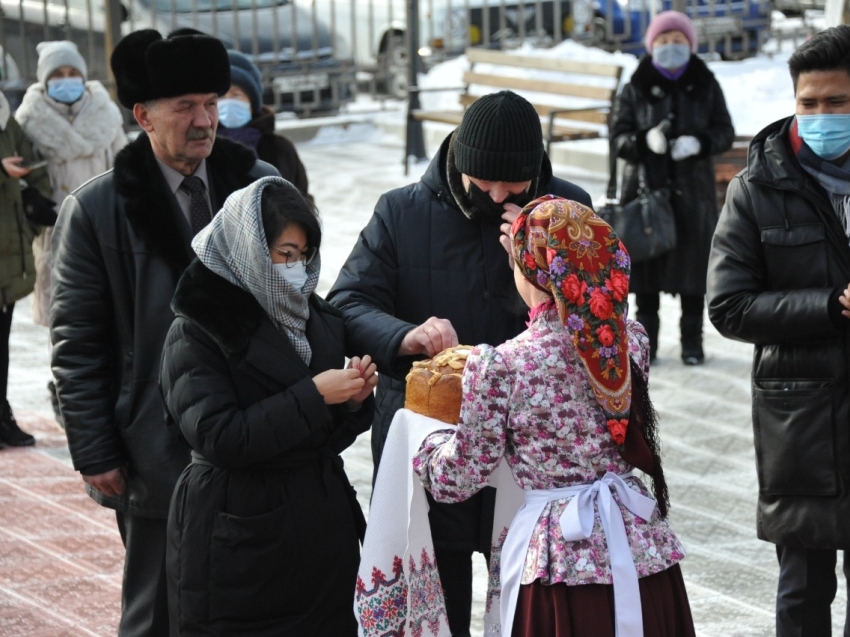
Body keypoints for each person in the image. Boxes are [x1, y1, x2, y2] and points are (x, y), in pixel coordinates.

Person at [328, 89, 593, 637]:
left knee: (530, 614)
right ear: (457, 160)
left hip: (531, 453)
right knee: (433, 609)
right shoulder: (401, 211)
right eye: (482, 180)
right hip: (430, 446)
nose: (496, 194)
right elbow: (346, 305)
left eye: (512, 182)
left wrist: (543, 266)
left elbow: (602, 320)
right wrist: (404, 336)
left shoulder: (567, 208)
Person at [49, 29, 278, 636]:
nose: (204, 120)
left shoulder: (259, 187)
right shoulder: (97, 210)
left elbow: (297, 302)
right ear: (143, 116)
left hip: (254, 440)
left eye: (211, 102)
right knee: (160, 611)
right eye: (185, 107)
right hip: (154, 450)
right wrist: (95, 449)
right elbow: (78, 342)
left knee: (254, 605)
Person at [411, 195, 695, 636]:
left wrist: (424, 440)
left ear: (533, 270)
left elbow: (458, 477)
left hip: (561, 559)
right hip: (640, 546)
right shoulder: (629, 340)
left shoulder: (502, 364)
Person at [159, 176, 376, 635]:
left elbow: (318, 437)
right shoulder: (198, 328)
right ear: (248, 249)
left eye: (302, 255)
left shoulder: (308, 316)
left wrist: (352, 405)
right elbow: (220, 436)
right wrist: (315, 395)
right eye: (283, 254)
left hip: (317, 529)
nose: (295, 269)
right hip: (238, 533)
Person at [707, 25, 850, 637]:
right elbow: (729, 305)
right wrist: (828, 305)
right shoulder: (757, 186)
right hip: (801, 422)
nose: (821, 116)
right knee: (802, 593)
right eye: (808, 103)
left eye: (837, 103)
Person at [609, 10, 734, 365]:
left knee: (694, 275)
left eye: (677, 40)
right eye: (663, 41)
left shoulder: (705, 82)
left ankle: (692, 345)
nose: (670, 47)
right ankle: (646, 348)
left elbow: (724, 130)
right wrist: (643, 141)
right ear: (651, 45)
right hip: (646, 196)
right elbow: (617, 137)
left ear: (690, 44)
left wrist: (699, 143)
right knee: (646, 276)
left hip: (694, 198)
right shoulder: (636, 85)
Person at [15, 40, 128, 424]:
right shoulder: (29, 120)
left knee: (111, 307)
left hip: (106, 223)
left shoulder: (105, 114)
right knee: (65, 314)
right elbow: (27, 175)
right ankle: (66, 388)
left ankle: (112, 383)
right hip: (56, 228)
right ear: (44, 82)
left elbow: (125, 165)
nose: (66, 81)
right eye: (58, 76)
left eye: (72, 74)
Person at [0, 89, 52, 448]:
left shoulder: (6, 118)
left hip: (8, 253)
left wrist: (29, 223)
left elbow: (36, 174)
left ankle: (1, 413)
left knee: (1, 342)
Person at [215, 50, 311, 201]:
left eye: (236, 95)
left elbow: (302, 203)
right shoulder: (203, 149)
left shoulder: (279, 149)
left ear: (252, 102)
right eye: (222, 96)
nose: (228, 102)